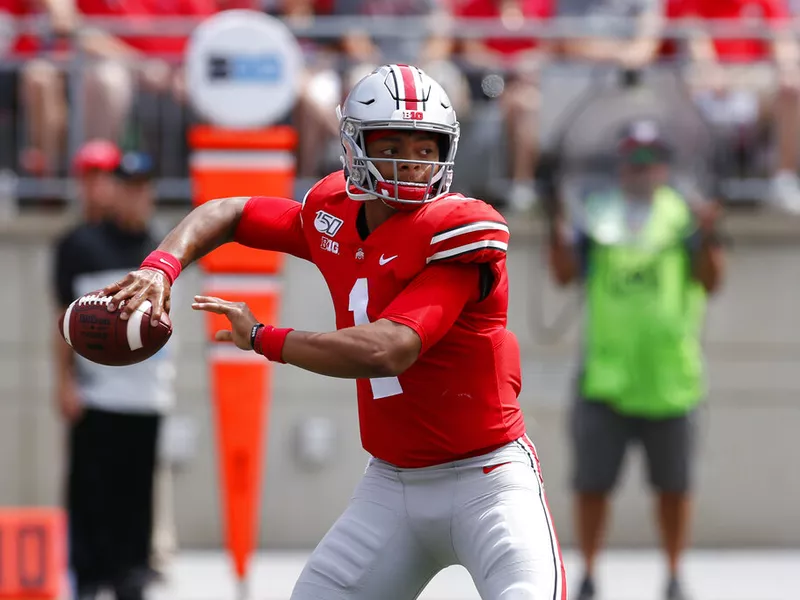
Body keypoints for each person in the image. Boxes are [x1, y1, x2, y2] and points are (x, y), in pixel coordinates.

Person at [103, 64, 567, 600]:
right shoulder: (332, 215)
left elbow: (389, 348)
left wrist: (261, 337)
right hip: (391, 485)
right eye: (393, 144)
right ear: (355, 145)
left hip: (489, 482)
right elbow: (230, 211)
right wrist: (160, 265)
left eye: (425, 148)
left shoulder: (461, 228)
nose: (412, 163)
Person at [547, 120, 725, 600]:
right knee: (591, 486)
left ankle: (673, 574)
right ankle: (587, 574)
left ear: (664, 168)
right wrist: (554, 222)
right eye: (632, 161)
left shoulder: (686, 217)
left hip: (670, 379)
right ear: (620, 167)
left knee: (674, 488)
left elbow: (711, 282)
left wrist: (709, 235)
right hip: (605, 377)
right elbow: (564, 276)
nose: (641, 171)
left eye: (650, 161)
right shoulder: (596, 215)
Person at [53, 151, 176, 600]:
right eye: (127, 187)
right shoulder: (80, 245)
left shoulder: (163, 251)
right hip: (97, 394)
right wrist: (64, 382)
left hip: (146, 396)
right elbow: (61, 321)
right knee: (89, 491)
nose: (135, 197)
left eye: (143, 188)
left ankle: (132, 576)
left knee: (137, 494)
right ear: (113, 190)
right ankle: (87, 578)